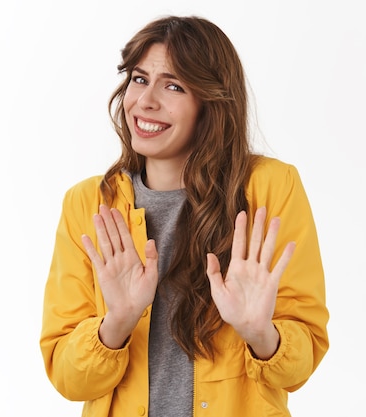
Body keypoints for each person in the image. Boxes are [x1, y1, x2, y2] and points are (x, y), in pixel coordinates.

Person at [40, 15, 329, 417]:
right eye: (139, 79)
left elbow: (302, 360)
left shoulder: (269, 188)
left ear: (209, 103)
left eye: (173, 85)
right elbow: (68, 377)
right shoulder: (88, 204)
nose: (146, 101)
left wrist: (260, 333)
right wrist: (116, 324)